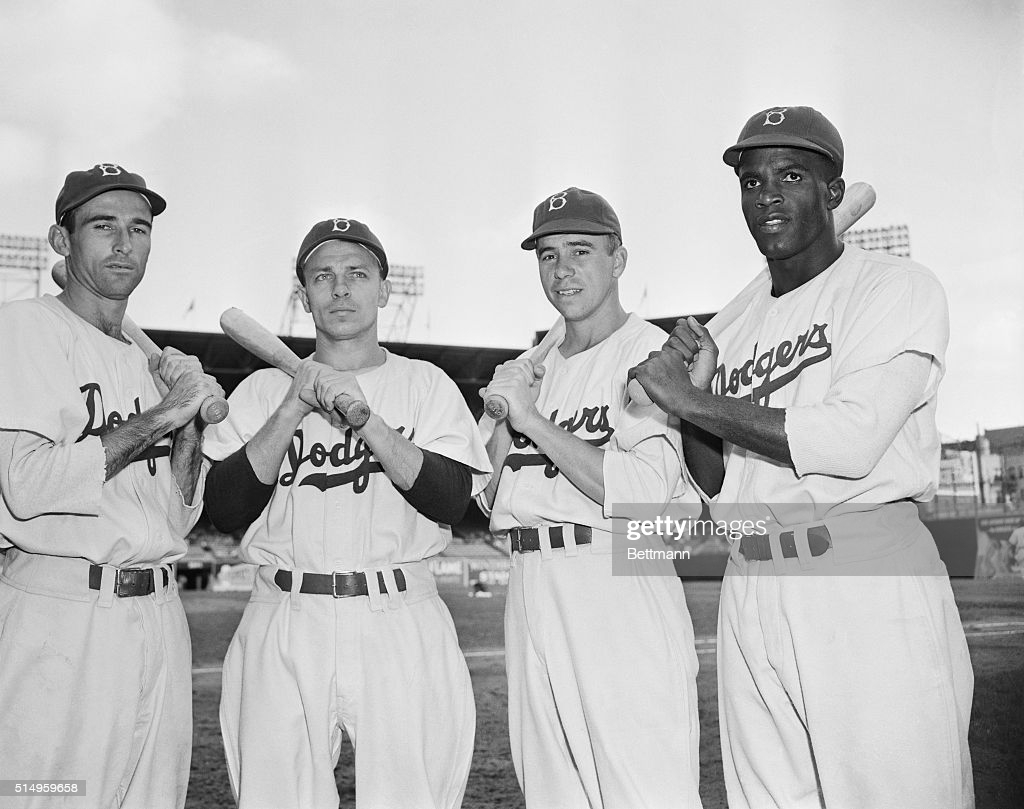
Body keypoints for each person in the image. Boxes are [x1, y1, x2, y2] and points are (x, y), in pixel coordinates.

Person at [630, 106, 974, 809]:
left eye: (791, 176)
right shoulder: (744, 322)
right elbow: (719, 485)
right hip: (752, 577)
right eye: (752, 183)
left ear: (835, 191)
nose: (768, 197)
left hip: (862, 574)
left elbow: (849, 441)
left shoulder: (896, 289)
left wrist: (691, 402)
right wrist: (696, 401)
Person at [202, 217, 491, 809]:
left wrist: (367, 421)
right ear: (303, 294)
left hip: (399, 616)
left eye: (357, 274)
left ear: (384, 290)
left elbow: (450, 499)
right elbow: (226, 508)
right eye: (323, 276)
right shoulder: (259, 394)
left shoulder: (425, 385)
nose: (340, 288)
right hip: (284, 615)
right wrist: (290, 409)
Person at [0, 163, 224, 808]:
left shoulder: (144, 360)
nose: (125, 243)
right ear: (61, 241)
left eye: (139, 228)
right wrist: (163, 414)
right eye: (103, 226)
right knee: (43, 795)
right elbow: (27, 484)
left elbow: (177, 518)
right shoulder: (26, 328)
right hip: (62, 617)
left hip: (158, 614)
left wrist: (188, 423)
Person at [478, 188, 702, 808]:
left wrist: (535, 423)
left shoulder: (648, 357)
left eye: (581, 251)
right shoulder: (533, 367)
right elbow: (481, 497)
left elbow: (645, 496)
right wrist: (503, 421)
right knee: (553, 793)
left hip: (616, 576)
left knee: (645, 790)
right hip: (528, 583)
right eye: (548, 256)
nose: (563, 270)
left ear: (620, 259)